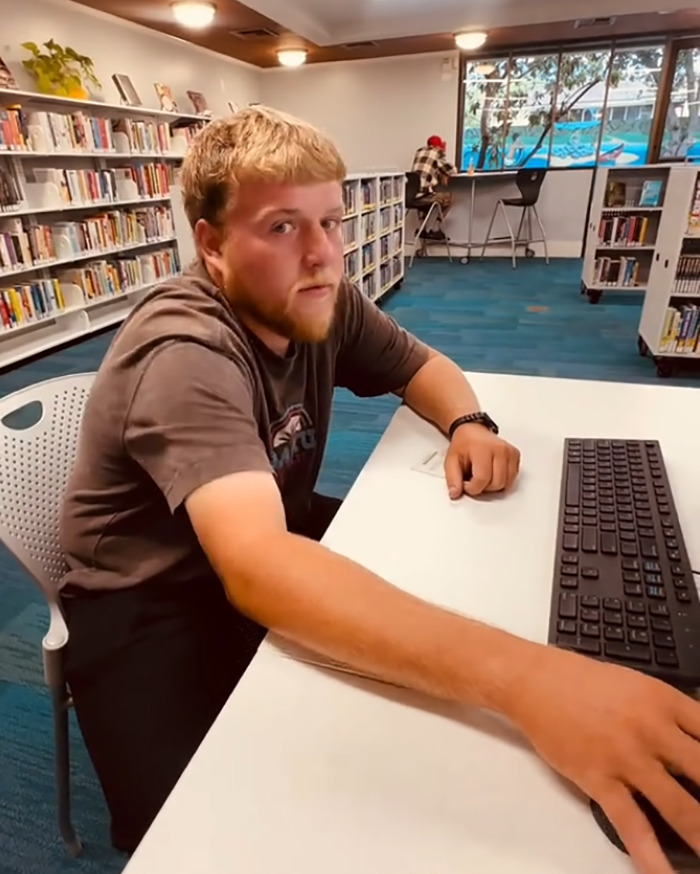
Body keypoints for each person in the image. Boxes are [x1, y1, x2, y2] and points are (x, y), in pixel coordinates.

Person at [59, 105, 700, 873]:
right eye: (283, 228)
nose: (326, 255)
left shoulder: (318, 299)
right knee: (211, 836)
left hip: (263, 528)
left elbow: (420, 367)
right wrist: (534, 684)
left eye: (331, 221)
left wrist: (469, 421)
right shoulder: (186, 351)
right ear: (212, 244)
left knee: (433, 640)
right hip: (149, 598)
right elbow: (258, 565)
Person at [410, 134, 457, 238]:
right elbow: (452, 170)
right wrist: (443, 153)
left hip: (411, 197)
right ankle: (436, 228)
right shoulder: (437, 152)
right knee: (449, 198)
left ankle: (422, 228)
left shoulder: (419, 151)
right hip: (424, 197)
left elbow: (429, 169)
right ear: (438, 146)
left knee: (428, 202)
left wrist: (440, 174)